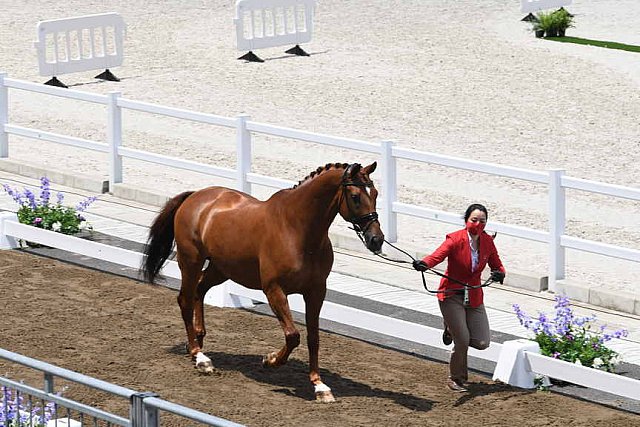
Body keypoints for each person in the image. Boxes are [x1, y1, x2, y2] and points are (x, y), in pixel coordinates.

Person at [412, 203, 505, 392]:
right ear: (466, 220)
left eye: (482, 221)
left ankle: (451, 328)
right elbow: (437, 256)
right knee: (462, 341)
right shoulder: (454, 239)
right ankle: (456, 378)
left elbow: (497, 264)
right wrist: (424, 263)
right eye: (474, 220)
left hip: (474, 296)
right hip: (451, 295)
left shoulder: (488, 241)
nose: (478, 224)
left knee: (482, 342)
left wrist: (499, 273)